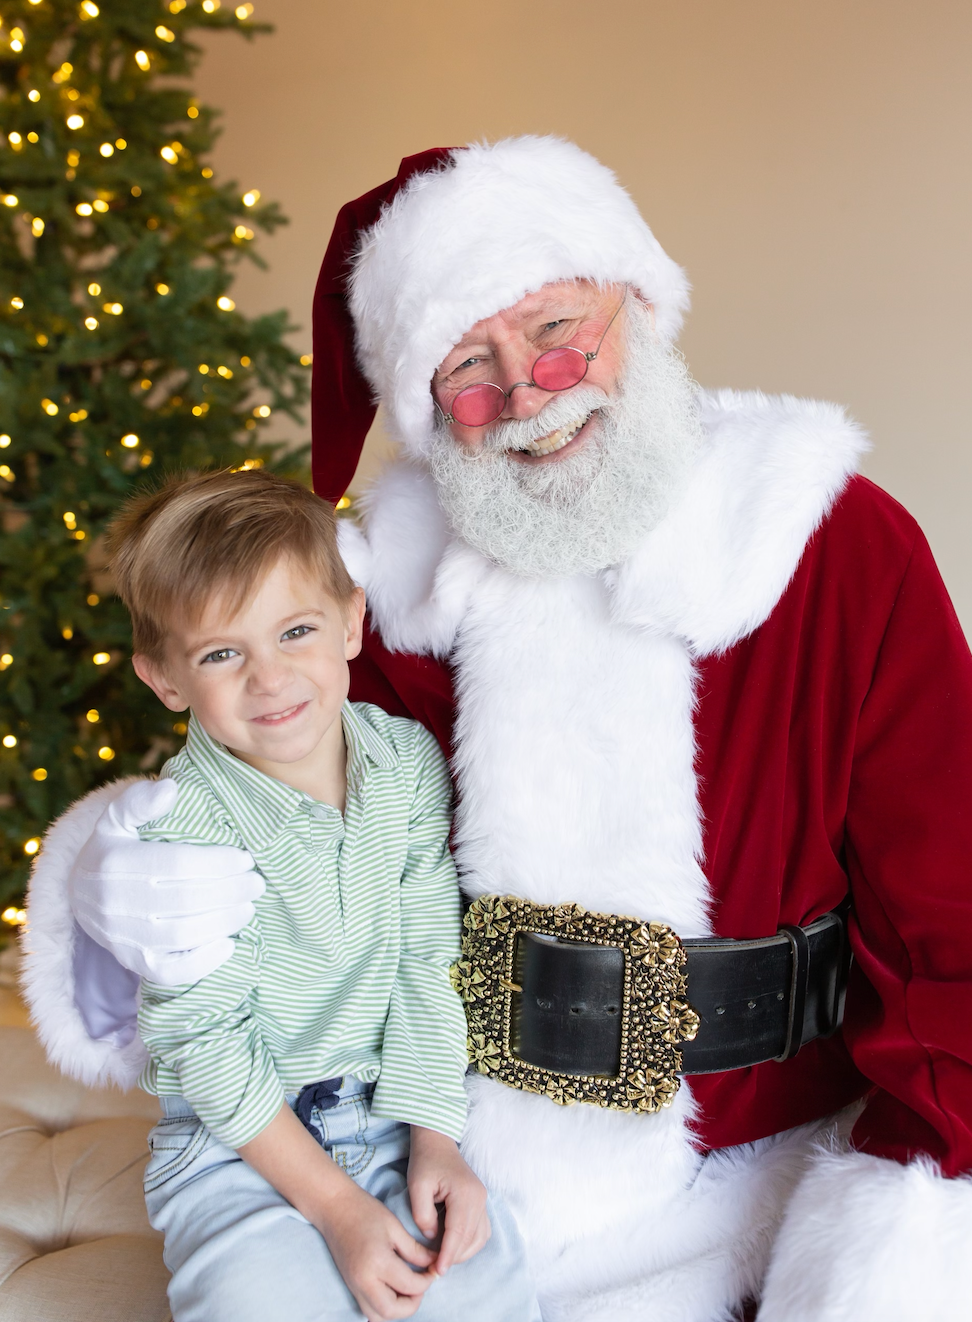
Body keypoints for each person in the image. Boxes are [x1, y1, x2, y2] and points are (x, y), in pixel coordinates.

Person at [22, 137, 972, 1321]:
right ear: (424, 410)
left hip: (769, 1163)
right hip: (450, 1166)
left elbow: (950, 911)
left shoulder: (829, 543)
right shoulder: (380, 592)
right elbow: (258, 802)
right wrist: (121, 872)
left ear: (640, 301)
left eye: (559, 328)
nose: (529, 391)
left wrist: (914, 1182)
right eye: (469, 365)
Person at [97, 468, 539, 1322]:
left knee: (484, 1292)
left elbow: (424, 959)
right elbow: (208, 1043)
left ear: (350, 621)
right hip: (238, 1143)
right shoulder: (180, 829)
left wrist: (435, 1143)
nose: (270, 677)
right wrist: (337, 1211)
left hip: (391, 1113)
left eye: (294, 630)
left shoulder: (405, 766)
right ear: (166, 681)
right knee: (259, 1302)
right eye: (222, 652)